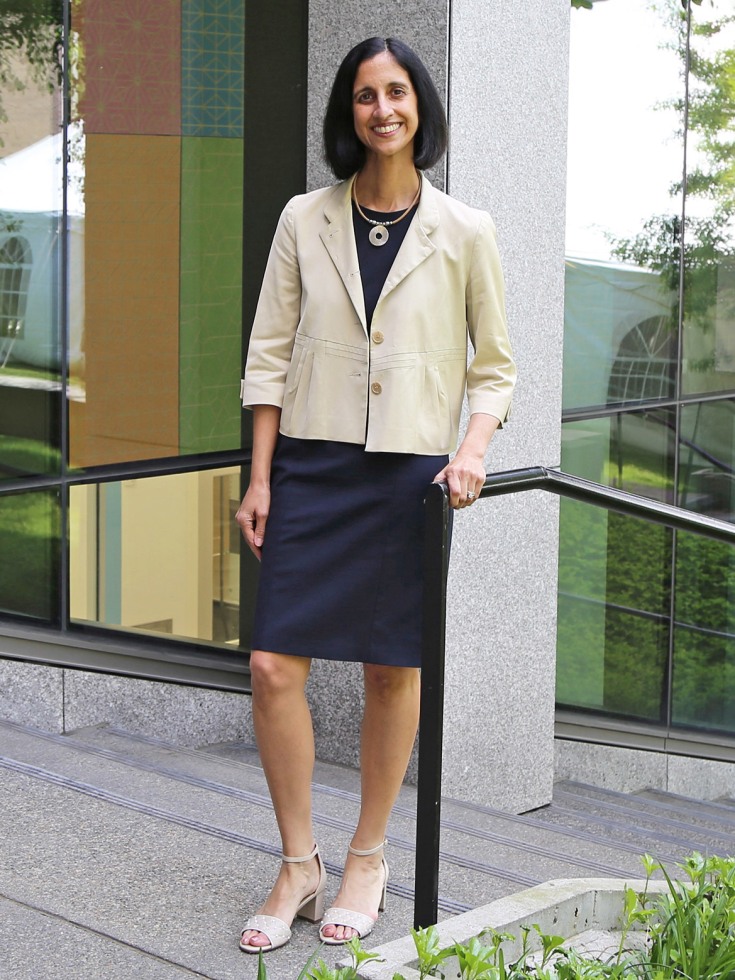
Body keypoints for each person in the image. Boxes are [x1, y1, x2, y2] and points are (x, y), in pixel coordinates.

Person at [236, 36, 516, 953]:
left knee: (393, 671)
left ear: (420, 107)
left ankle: (366, 857)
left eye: (396, 92)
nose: (381, 109)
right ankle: (297, 863)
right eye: (364, 95)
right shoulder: (301, 218)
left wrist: (470, 452)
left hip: (409, 478)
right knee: (274, 664)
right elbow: (267, 357)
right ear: (346, 113)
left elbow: (494, 371)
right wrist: (261, 476)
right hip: (310, 468)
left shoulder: (465, 229)